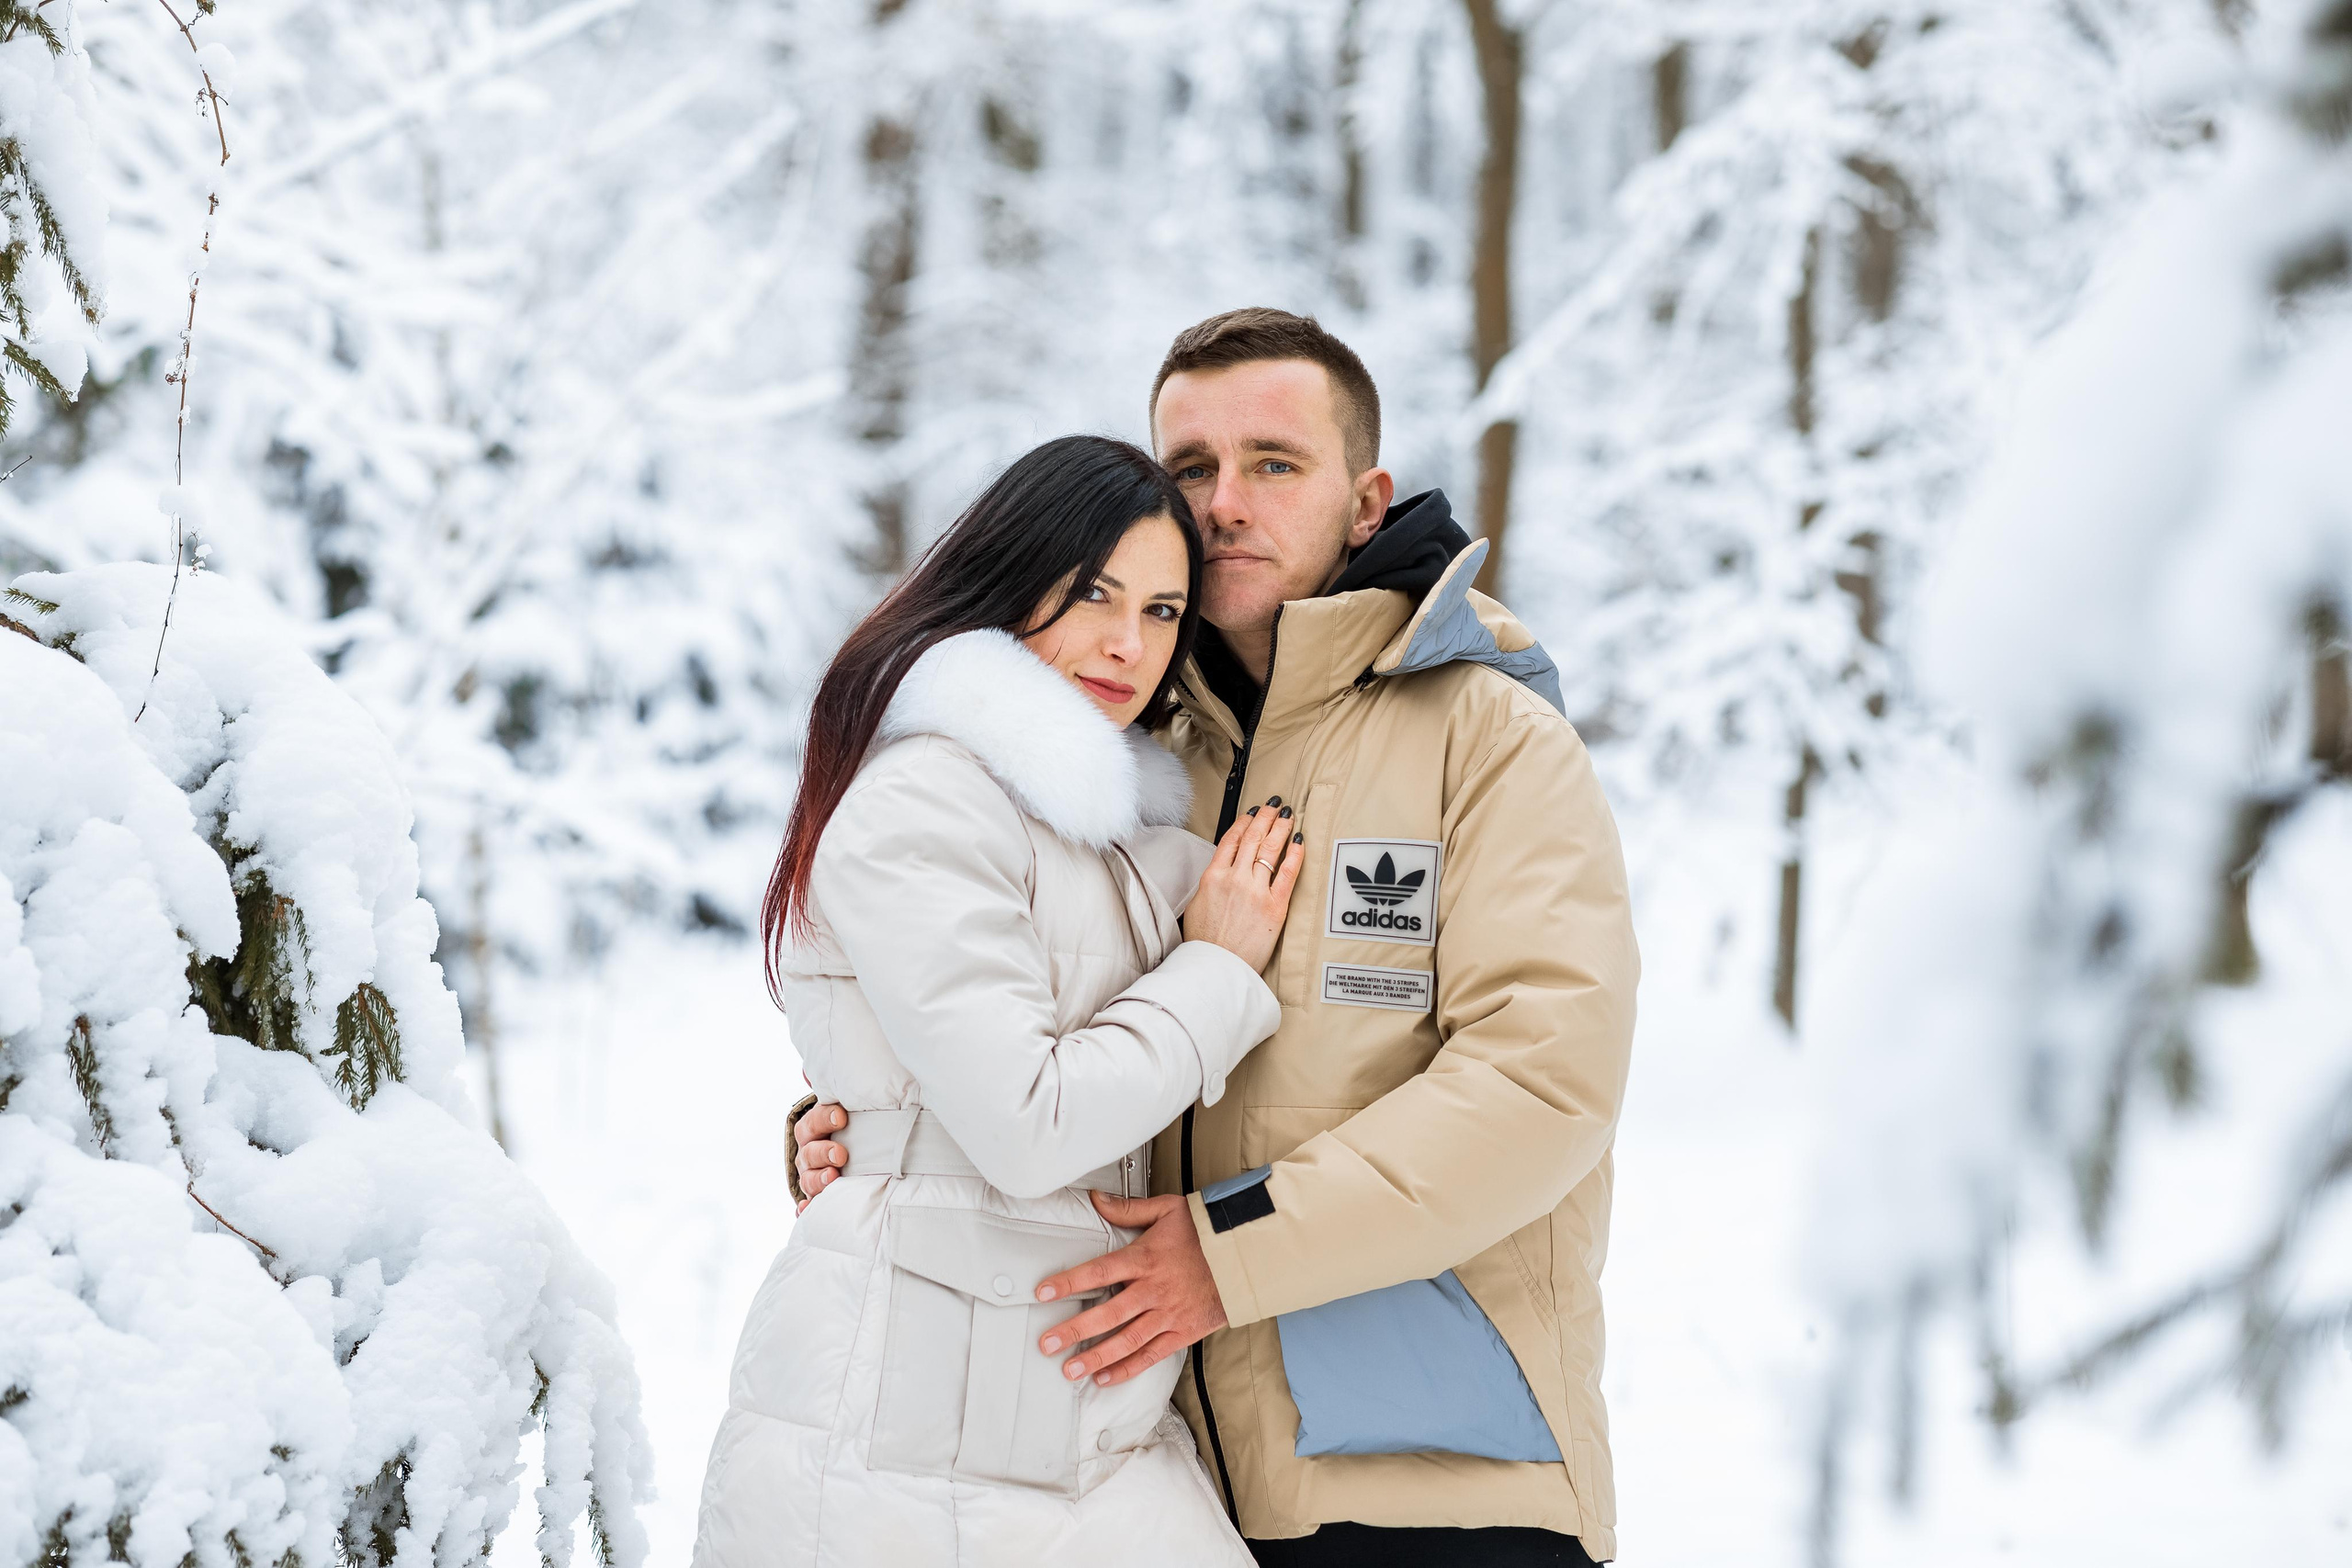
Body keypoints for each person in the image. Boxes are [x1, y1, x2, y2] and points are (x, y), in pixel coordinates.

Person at [796, 310, 1640, 1566]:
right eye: (1190, 467)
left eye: (1273, 463)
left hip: (1434, 1475)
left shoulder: (1489, 736)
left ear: (1368, 500)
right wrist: (869, 1124)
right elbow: (1023, 1032)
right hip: (1158, 1472)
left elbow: (1542, 1084)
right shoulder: (1123, 761)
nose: (1222, 501)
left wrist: (1231, 1251)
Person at [692, 435, 1311, 1567]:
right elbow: (1027, 1123)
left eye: (1166, 612)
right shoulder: (926, 798)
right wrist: (1218, 971)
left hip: (1052, 1406)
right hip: (908, 1434)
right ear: (1009, 575)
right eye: (1094, 594)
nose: (1130, 644)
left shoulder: (1104, 835)